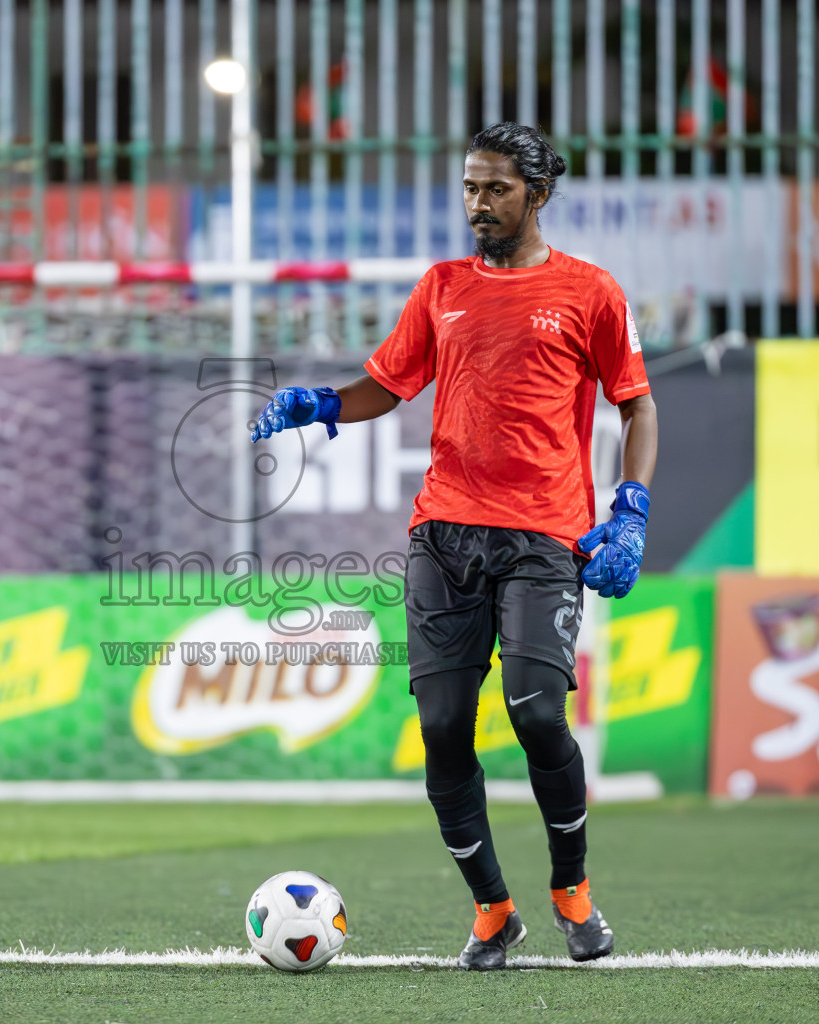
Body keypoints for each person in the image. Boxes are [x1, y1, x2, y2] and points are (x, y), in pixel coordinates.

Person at [250, 121, 658, 969]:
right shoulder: (441, 287)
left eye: (496, 188)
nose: (478, 202)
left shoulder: (591, 292)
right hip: (444, 533)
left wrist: (631, 508)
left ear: (538, 194)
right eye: (470, 187)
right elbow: (386, 385)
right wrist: (317, 403)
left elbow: (636, 404)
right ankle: (493, 911)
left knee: (539, 712)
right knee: (441, 727)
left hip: (546, 536)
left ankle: (571, 891)